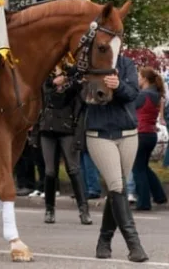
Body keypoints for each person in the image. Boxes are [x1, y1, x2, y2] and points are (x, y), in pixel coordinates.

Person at [85, 52, 148, 262]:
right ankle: (134, 244)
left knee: (116, 190)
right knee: (117, 186)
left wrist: (118, 85)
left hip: (128, 133)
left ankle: (104, 240)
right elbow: (78, 96)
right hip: (99, 133)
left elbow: (133, 94)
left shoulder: (126, 63)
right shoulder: (86, 64)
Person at [38, 66, 92, 225]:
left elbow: (77, 89)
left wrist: (69, 79)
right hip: (47, 129)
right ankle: (49, 209)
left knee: (74, 169)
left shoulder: (74, 87)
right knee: (49, 171)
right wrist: (55, 83)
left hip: (67, 129)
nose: (56, 72)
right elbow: (48, 96)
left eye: (59, 70)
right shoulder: (46, 83)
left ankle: (84, 209)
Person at [132, 67, 167, 211]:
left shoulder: (143, 95)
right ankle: (159, 196)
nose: (138, 79)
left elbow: (130, 109)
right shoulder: (157, 95)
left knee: (137, 169)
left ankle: (144, 203)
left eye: (139, 77)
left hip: (140, 134)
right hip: (151, 135)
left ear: (145, 79)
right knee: (144, 167)